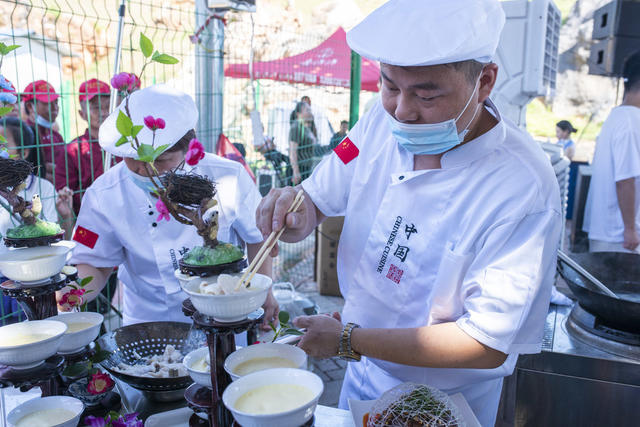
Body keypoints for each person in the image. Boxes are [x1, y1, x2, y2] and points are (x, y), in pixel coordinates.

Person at [256, 1, 561, 425]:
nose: (402, 110)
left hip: (449, 400)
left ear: (485, 80)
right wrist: (294, 210)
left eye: (426, 93)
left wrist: (347, 340)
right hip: (360, 375)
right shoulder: (376, 124)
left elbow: (486, 342)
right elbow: (317, 196)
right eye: (389, 85)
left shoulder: (522, 186)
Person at [63, 84, 277, 327]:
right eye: (133, 160)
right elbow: (94, 262)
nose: (145, 170)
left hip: (225, 315)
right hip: (148, 321)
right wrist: (70, 295)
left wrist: (264, 289)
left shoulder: (228, 176)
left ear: (188, 149)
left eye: (161, 160)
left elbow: (258, 236)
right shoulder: (105, 194)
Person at [583, 50, 640, 253]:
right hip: (620, 238)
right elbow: (625, 180)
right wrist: (630, 229)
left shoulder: (618, 116)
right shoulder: (631, 121)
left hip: (611, 234)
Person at [0, 117, 73, 237]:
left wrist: (66, 216)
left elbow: (56, 236)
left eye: (2, 146)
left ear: (24, 152)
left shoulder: (44, 189)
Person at [54, 79, 115, 216]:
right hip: (88, 223)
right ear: (82, 114)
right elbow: (65, 197)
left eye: (107, 106)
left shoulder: (125, 145)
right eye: (96, 107)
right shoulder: (72, 151)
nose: (104, 112)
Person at [21, 80, 65, 184]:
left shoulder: (56, 136)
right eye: (48, 103)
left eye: (56, 102)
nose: (55, 108)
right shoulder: (23, 136)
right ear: (30, 106)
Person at [289, 101, 318, 185]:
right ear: (298, 113)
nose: (310, 113)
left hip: (306, 168)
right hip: (300, 169)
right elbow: (292, 151)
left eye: (310, 110)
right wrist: (296, 172)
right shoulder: (296, 127)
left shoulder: (305, 127)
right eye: (307, 110)